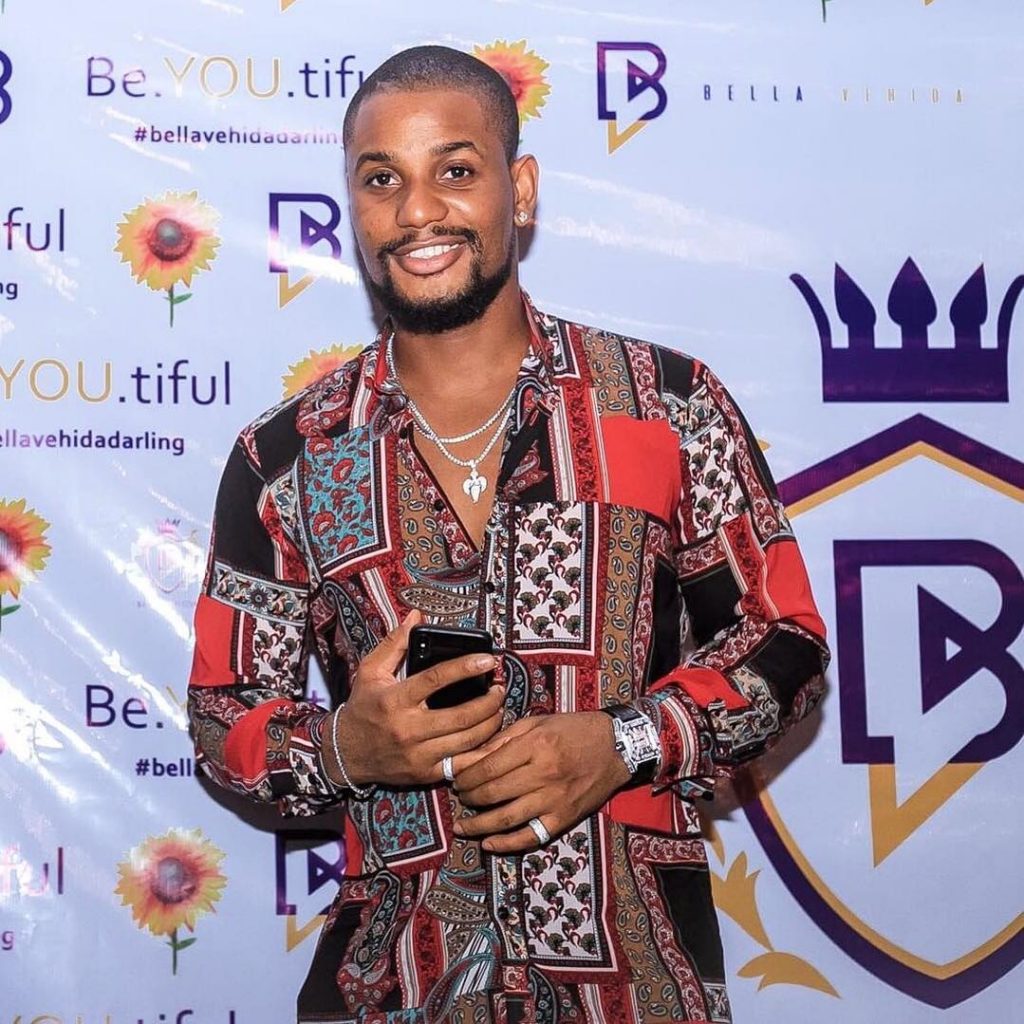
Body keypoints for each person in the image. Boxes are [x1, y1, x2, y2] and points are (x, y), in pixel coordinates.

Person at [188, 44, 829, 1024]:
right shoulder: (289, 459)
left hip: (634, 991)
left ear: (518, 189)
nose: (417, 211)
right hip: (392, 987)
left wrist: (623, 742)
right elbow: (221, 718)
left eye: (455, 169)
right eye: (381, 180)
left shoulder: (665, 405)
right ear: (352, 207)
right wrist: (348, 745)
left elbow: (784, 639)